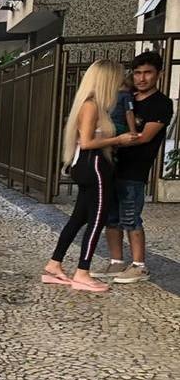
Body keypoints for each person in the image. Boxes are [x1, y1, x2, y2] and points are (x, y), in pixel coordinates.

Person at [43, 60, 137, 293]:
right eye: (117, 78)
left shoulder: (93, 105)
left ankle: (55, 264)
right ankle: (82, 272)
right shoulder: (92, 106)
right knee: (97, 218)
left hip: (88, 164)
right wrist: (118, 140)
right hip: (93, 164)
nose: (121, 83)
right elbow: (86, 142)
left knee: (79, 218)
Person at [94, 51, 175, 284]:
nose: (142, 78)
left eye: (148, 73)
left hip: (135, 169)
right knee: (111, 217)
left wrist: (114, 140)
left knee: (131, 216)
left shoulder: (161, 104)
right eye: (138, 73)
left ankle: (139, 266)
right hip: (112, 166)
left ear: (159, 74)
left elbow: (145, 137)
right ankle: (116, 262)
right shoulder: (124, 96)